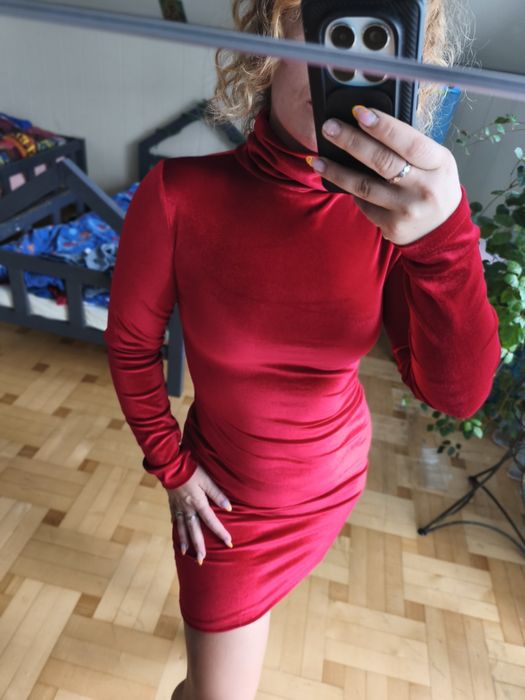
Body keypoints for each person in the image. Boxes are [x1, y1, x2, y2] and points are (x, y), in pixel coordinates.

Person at [103, 2, 501, 699]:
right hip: (227, 506)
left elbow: (457, 394)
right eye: (324, 23)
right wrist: (171, 467)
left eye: (379, 37)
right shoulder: (177, 197)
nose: (348, 62)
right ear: (268, 40)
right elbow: (132, 346)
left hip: (333, 478)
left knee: (227, 649)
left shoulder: (396, 214)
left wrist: (445, 241)